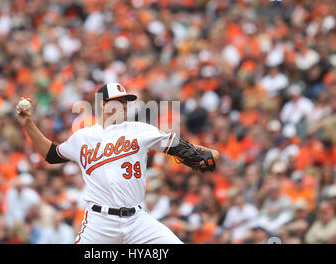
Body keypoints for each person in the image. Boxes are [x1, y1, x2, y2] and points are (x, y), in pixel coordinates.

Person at [16, 83, 220, 244]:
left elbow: (178, 147)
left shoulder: (140, 130)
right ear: (103, 104)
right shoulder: (83, 137)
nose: (123, 105)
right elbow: (52, 155)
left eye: (125, 101)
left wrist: (200, 155)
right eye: (117, 101)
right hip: (100, 222)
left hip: (137, 220)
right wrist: (28, 124)